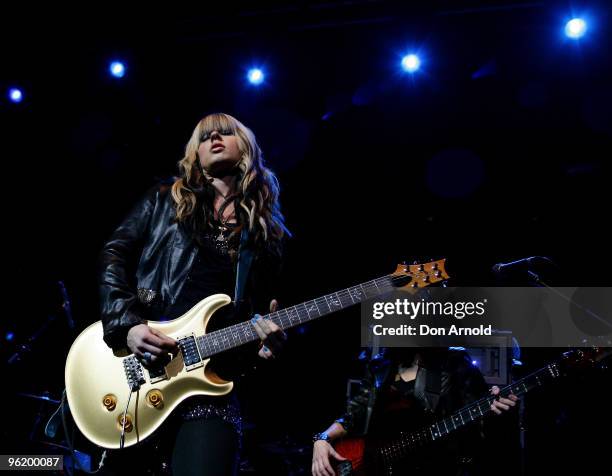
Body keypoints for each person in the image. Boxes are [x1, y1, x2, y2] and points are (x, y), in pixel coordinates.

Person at [99, 112, 290, 476]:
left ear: (245, 145)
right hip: (141, 369)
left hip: (211, 386)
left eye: (225, 133)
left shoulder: (268, 235)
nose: (214, 139)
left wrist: (269, 344)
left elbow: (263, 317)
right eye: (205, 137)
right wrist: (127, 325)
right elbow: (114, 254)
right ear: (195, 154)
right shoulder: (164, 200)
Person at [311, 347, 519, 476]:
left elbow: (480, 422)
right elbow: (352, 417)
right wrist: (321, 439)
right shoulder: (380, 367)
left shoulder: (454, 362)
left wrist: (493, 408)